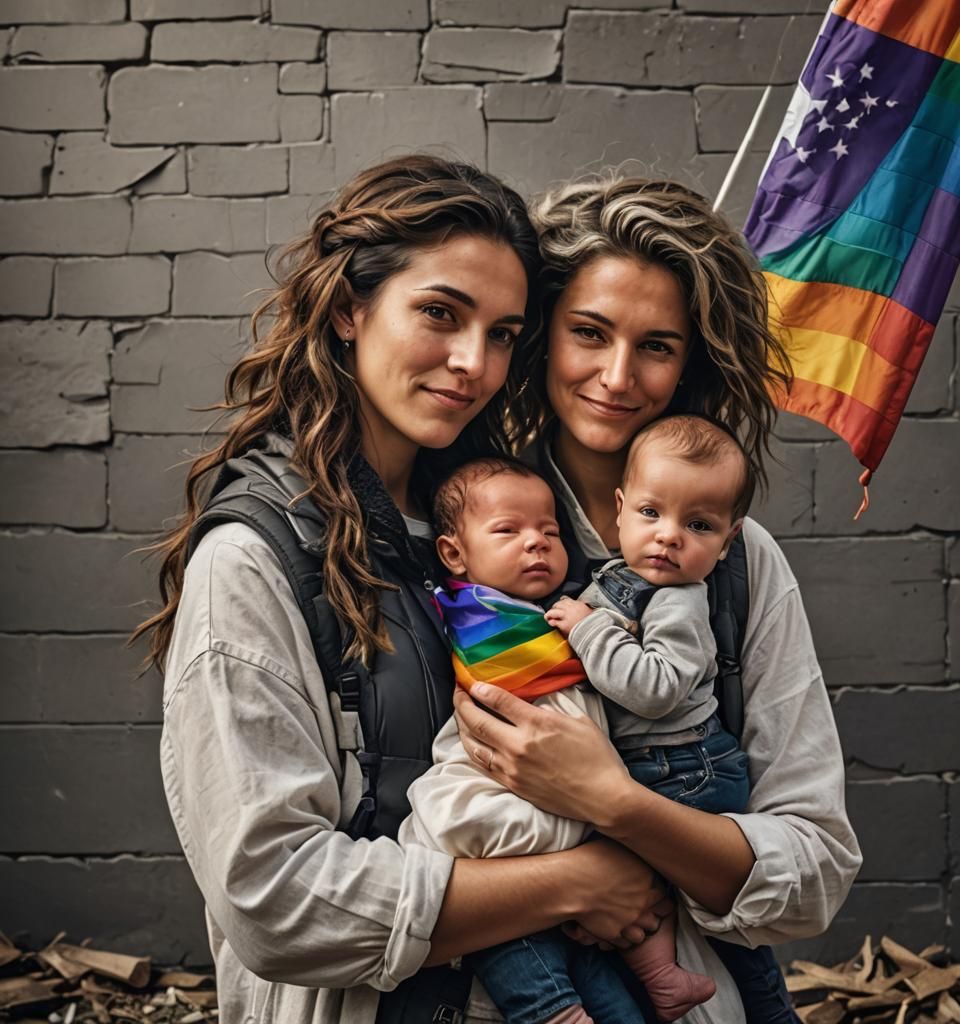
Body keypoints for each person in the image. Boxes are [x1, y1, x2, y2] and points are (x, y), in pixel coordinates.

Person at [133, 157, 671, 1024]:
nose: (473, 363)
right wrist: (575, 882)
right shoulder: (253, 558)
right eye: (439, 313)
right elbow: (274, 899)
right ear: (349, 308)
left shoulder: (499, 523)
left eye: (502, 334)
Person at [449, 176, 863, 1024]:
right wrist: (572, 877)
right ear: (541, 337)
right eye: (588, 333)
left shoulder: (741, 568)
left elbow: (814, 872)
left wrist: (617, 805)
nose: (616, 375)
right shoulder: (465, 536)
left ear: (693, 363)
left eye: (657, 347)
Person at [403, 416, 756, 1024]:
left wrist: (593, 614)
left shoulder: (544, 600)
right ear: (455, 554)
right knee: (522, 931)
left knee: (603, 937)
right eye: (509, 530)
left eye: (549, 530)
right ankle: (550, 1009)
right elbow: (563, 667)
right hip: (504, 804)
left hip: (563, 796)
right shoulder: (474, 608)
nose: (538, 542)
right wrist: (604, 626)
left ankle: (655, 979)